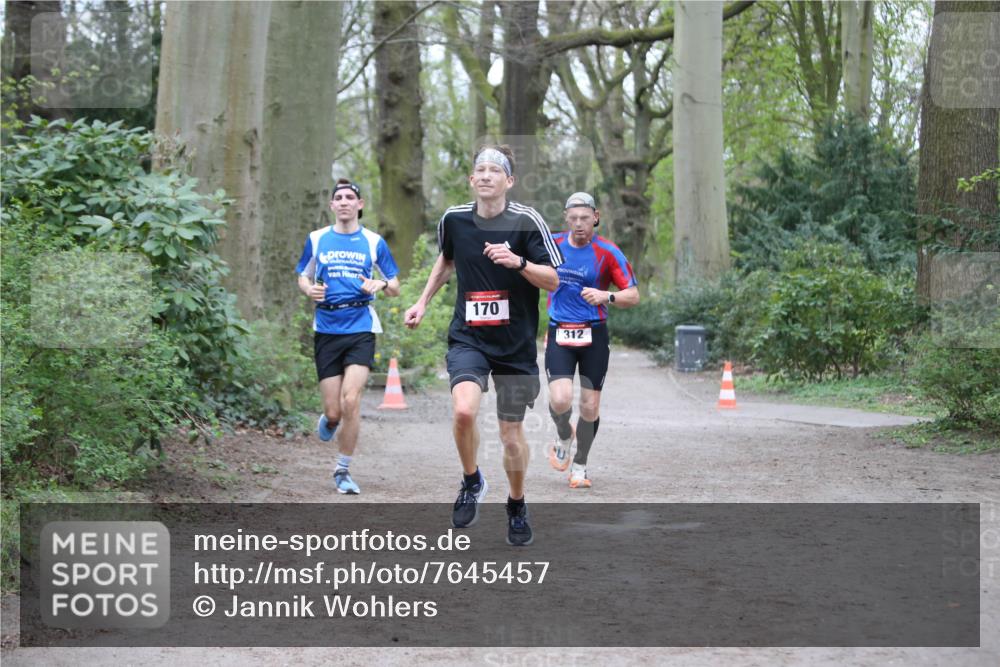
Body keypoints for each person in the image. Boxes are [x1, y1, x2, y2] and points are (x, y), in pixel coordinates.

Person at [404, 145, 562, 546]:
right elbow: (447, 260)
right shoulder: (454, 220)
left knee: (511, 435)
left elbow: (554, 280)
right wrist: (422, 301)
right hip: (469, 336)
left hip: (515, 344)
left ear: (509, 181)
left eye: (496, 170)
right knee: (462, 411)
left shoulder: (527, 222)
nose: (487, 175)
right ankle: (472, 480)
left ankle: (516, 503)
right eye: (481, 170)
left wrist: (519, 263)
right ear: (472, 181)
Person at [295, 179, 401, 495]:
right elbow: (303, 274)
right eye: (338, 198)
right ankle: (329, 422)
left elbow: (395, 285)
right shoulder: (316, 239)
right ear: (332, 206)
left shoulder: (373, 242)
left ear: (360, 204)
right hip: (326, 328)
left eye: (349, 197)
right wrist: (308, 288)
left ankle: (342, 470)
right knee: (334, 411)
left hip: (361, 327)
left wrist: (380, 285)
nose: (343, 202)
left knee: (350, 400)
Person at [545, 192, 639, 488]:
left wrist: (606, 295)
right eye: (573, 218)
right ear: (565, 219)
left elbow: (633, 295)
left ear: (595, 217)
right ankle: (563, 435)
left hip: (594, 333)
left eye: (585, 218)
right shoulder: (552, 245)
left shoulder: (608, 252)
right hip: (559, 330)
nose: (579, 224)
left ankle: (580, 466)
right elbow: (526, 270)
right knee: (560, 399)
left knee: (589, 406)